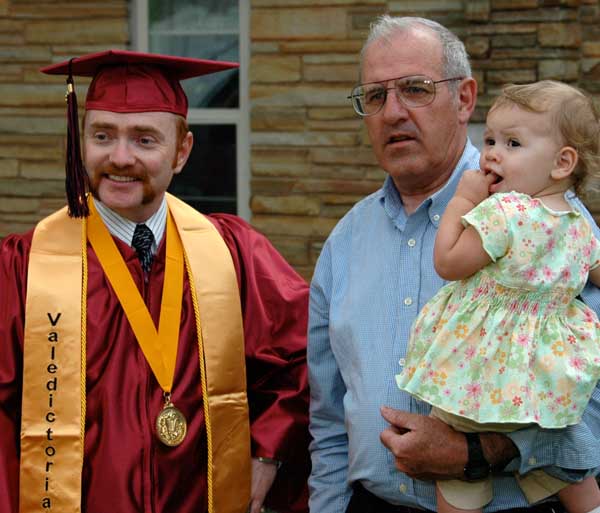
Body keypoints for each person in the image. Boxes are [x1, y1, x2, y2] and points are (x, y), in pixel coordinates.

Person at [308, 14, 600, 513]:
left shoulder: (545, 219)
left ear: (464, 99)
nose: (392, 112)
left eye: (415, 89)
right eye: (375, 96)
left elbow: (590, 394)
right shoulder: (345, 242)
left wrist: (477, 453)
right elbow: (329, 418)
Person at [0, 49, 310, 513]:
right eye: (102, 135)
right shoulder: (25, 267)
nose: (120, 157)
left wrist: (269, 454)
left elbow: (303, 355)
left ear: (182, 152)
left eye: (144, 139)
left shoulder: (232, 254)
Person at [396, 80, 600, 513]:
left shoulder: (506, 213)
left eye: (512, 143)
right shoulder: (580, 227)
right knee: (564, 456)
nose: (491, 154)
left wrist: (463, 200)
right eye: (489, 140)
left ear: (562, 162)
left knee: (453, 456)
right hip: (544, 387)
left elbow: (448, 262)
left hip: (480, 376)